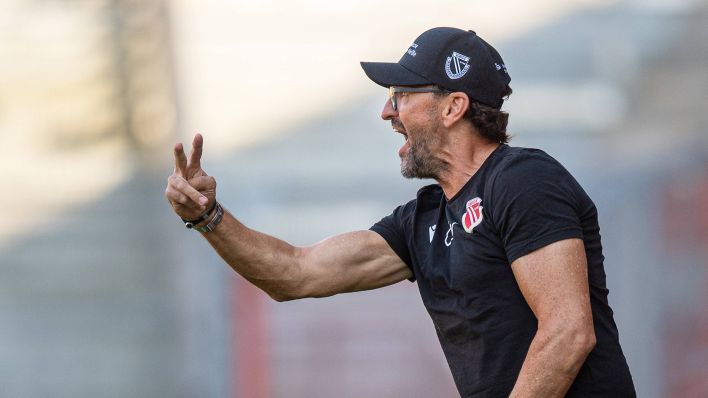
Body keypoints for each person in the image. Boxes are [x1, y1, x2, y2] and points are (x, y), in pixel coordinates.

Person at [165, 27, 636, 397]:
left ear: (454, 106)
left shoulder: (523, 180)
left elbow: (569, 332)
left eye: (401, 95)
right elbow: (295, 273)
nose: (387, 112)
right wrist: (210, 216)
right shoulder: (423, 220)